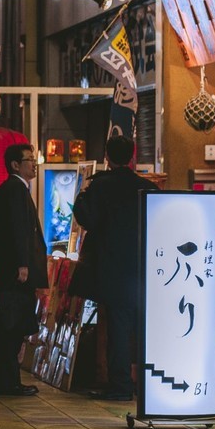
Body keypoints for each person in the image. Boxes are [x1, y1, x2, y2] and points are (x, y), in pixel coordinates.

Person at [73, 134, 156, 401]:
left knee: (118, 330)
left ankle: (120, 386)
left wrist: (81, 198)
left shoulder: (99, 187)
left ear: (107, 158)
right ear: (133, 156)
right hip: (148, 270)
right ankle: (152, 384)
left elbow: (87, 218)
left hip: (112, 270)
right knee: (147, 327)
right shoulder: (148, 188)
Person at [0, 142, 48, 397]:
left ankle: (8, 381)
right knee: (12, 328)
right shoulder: (15, 189)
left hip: (11, 269)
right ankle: (9, 383)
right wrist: (22, 264)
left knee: (12, 327)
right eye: (28, 160)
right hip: (16, 272)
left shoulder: (11, 189)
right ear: (15, 165)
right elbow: (19, 230)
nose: (33, 164)